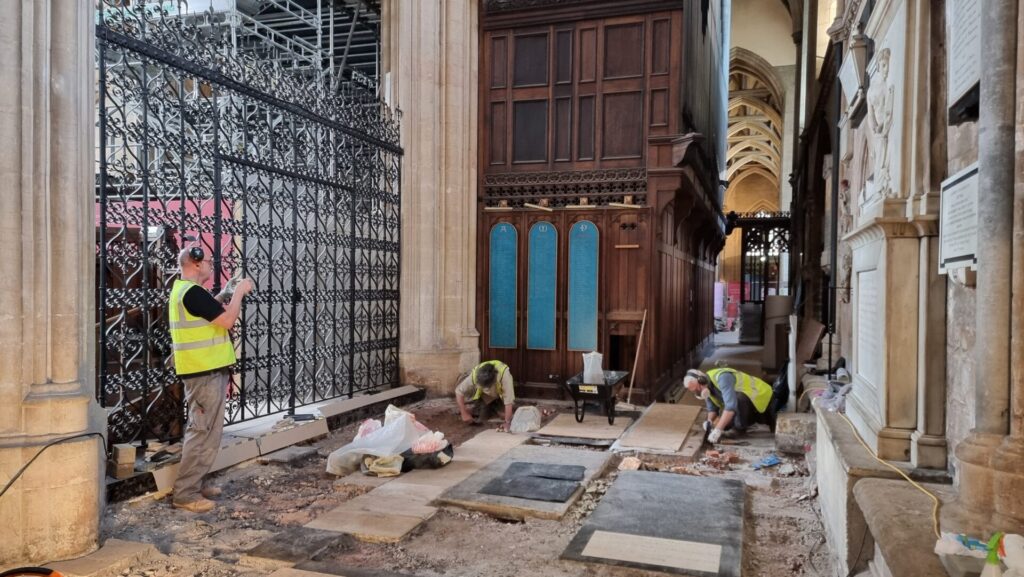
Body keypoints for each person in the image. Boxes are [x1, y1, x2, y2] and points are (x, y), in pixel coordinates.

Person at [169, 247, 253, 513]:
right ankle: (186, 493)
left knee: (208, 432)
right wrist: (239, 293)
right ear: (194, 264)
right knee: (202, 431)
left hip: (206, 370)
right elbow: (227, 320)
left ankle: (194, 484)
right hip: (203, 372)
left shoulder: (187, 290)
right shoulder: (191, 292)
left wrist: (225, 294)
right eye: (207, 261)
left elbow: (208, 315)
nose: (211, 265)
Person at [683, 367, 777, 443]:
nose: (698, 392)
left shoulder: (722, 378)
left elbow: (730, 407)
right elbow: (712, 410)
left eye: (697, 389)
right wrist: (709, 421)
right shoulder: (707, 389)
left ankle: (739, 429)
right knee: (725, 425)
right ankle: (742, 423)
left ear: (702, 380)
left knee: (737, 400)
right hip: (748, 404)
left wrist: (718, 430)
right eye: (694, 391)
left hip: (762, 396)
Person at [455, 361, 515, 432]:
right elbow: (458, 391)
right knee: (483, 417)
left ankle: (495, 406)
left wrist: (507, 423)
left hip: (500, 395)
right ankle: (484, 407)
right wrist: (463, 413)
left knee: (505, 415)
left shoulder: (505, 377)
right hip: (485, 396)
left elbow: (508, 401)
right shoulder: (475, 375)